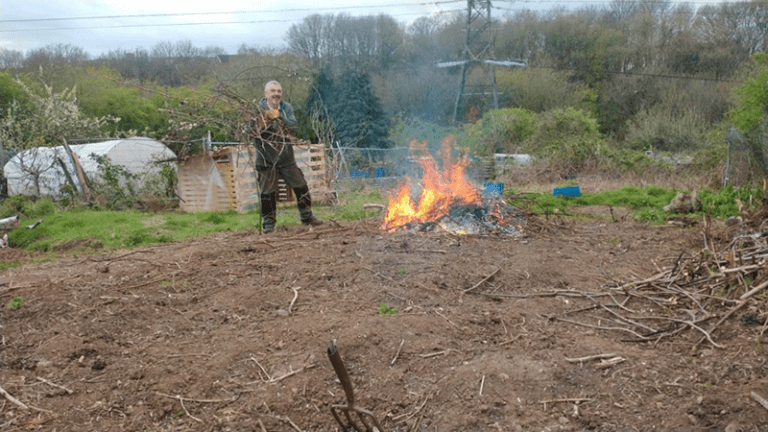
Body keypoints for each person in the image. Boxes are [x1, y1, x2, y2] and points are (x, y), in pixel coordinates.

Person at [253, 80, 321, 233]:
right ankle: (269, 224)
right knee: (267, 192)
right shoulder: (257, 109)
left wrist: (279, 117)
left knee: (301, 185)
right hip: (266, 159)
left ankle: (307, 216)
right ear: (266, 94)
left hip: (285, 157)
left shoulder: (286, 108)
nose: (276, 94)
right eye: (273, 91)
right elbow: (249, 131)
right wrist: (264, 122)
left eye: (279, 91)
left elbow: (293, 127)